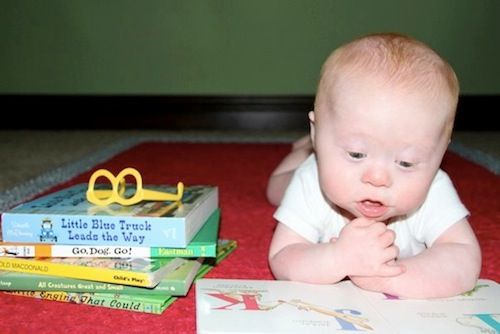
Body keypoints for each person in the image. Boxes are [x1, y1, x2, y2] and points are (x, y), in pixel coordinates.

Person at [267, 32, 481, 299]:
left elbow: (464, 257)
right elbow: (283, 256)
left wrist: (389, 276)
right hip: (304, 170)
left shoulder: (434, 188)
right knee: (276, 189)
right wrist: (337, 258)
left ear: (440, 153)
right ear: (317, 132)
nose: (378, 178)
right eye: (356, 154)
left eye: (406, 162)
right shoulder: (309, 182)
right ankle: (303, 151)